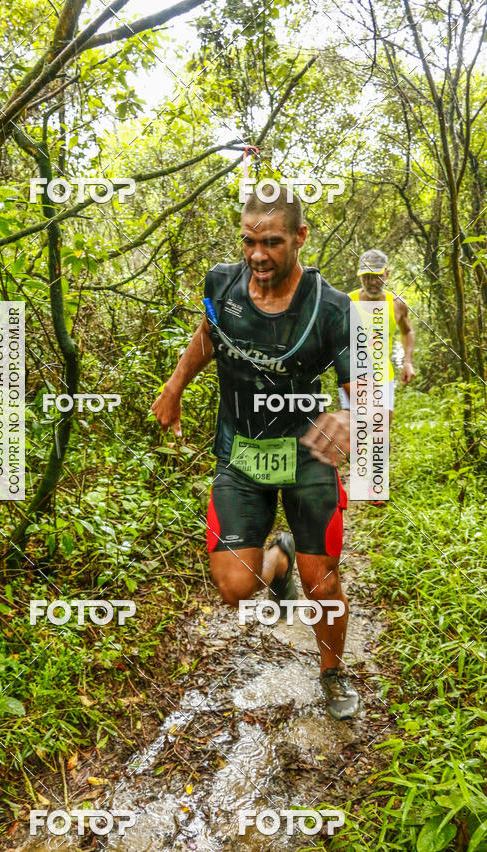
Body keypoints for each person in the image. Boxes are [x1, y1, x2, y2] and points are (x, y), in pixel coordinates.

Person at [152, 184, 359, 720]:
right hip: (240, 451)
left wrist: (347, 415)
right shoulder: (222, 284)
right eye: (249, 241)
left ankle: (332, 672)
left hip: (307, 453)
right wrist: (174, 388)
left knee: (322, 582)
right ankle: (278, 557)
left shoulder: (332, 308)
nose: (257, 256)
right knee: (234, 585)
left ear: (299, 238)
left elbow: (360, 385)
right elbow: (208, 334)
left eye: (271, 242)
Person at [338, 249, 415, 425]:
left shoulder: (397, 305)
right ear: (359, 277)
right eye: (366, 277)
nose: (372, 283)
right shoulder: (345, 304)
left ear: (387, 274)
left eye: (377, 276)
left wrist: (407, 362)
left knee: (381, 431)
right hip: (352, 378)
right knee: (354, 435)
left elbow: (408, 331)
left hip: (383, 377)